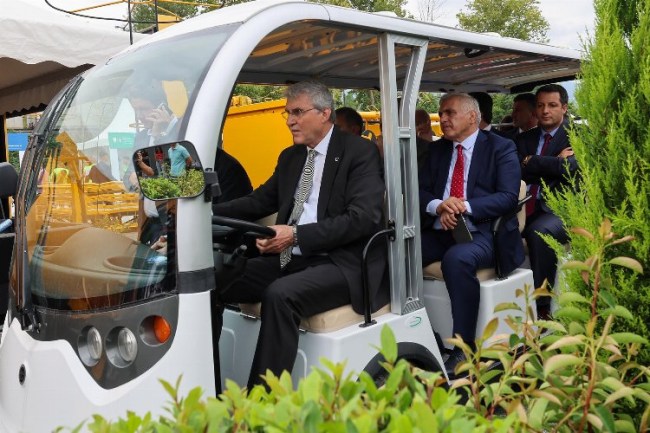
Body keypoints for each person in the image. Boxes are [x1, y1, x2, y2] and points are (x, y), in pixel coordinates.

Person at [213, 80, 388, 389]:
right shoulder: (291, 157)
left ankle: (261, 401)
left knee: (280, 294)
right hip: (291, 258)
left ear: (324, 113)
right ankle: (207, 381)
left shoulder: (359, 152)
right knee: (212, 282)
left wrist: (295, 236)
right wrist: (204, 213)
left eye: (297, 112)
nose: (289, 121)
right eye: (288, 113)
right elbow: (259, 201)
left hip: (340, 262)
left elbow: (362, 218)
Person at [419, 92, 523, 377]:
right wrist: (439, 205)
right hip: (441, 229)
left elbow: (508, 197)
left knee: (457, 259)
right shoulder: (438, 150)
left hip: (485, 233)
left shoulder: (501, 147)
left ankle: (463, 347)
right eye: (441, 112)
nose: (443, 118)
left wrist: (462, 206)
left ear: (472, 117)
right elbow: (419, 190)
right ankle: (420, 333)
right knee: (397, 250)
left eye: (450, 113)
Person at [515, 84, 578, 319]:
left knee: (539, 232)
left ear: (564, 107)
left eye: (552, 105)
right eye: (540, 105)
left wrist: (532, 161)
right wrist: (554, 163)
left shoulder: (578, 135)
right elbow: (517, 170)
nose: (545, 111)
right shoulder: (525, 138)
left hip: (561, 210)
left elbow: (570, 168)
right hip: (524, 206)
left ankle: (542, 306)